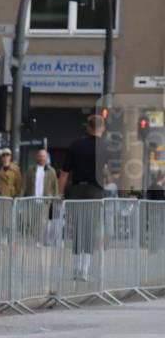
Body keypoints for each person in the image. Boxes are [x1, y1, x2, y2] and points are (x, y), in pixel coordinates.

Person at [60, 115, 106, 281]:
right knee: (90, 230)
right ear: (102, 128)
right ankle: (84, 270)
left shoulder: (75, 145)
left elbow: (64, 173)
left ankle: (75, 268)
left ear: (88, 127)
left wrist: (61, 193)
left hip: (76, 191)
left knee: (77, 229)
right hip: (94, 192)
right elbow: (106, 172)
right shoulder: (104, 146)